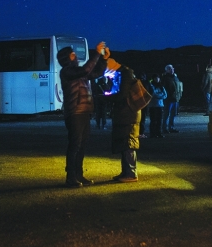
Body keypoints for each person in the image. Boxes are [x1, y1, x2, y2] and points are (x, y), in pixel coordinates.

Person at [58, 41, 107, 188]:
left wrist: (104, 59)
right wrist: (97, 53)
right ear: (67, 58)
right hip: (75, 112)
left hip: (84, 111)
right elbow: (86, 70)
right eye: (72, 54)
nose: (76, 56)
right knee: (75, 144)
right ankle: (70, 177)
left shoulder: (78, 71)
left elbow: (97, 73)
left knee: (82, 145)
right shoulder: (67, 72)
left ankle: (78, 174)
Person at [106, 60, 152, 182]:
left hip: (129, 113)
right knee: (124, 142)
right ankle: (126, 172)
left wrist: (106, 98)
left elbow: (122, 95)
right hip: (127, 113)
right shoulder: (122, 74)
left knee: (128, 142)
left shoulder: (126, 74)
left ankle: (131, 173)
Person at [162, 65, 183, 133]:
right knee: (166, 114)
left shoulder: (175, 77)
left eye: (172, 69)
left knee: (173, 114)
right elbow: (164, 88)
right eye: (170, 69)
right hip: (168, 99)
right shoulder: (165, 78)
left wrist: (179, 96)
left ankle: (171, 127)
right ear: (166, 70)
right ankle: (164, 128)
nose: (172, 70)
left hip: (175, 99)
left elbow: (179, 87)